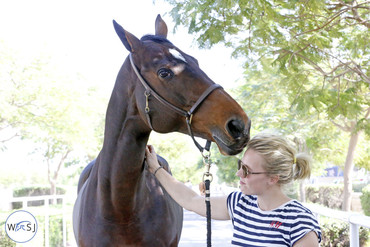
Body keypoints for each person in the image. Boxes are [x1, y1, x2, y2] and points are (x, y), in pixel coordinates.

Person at [145, 132, 322, 246]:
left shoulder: (299, 221)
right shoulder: (240, 204)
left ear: (272, 178)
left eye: (247, 171)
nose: (238, 173)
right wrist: (157, 169)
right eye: (240, 165)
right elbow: (191, 201)